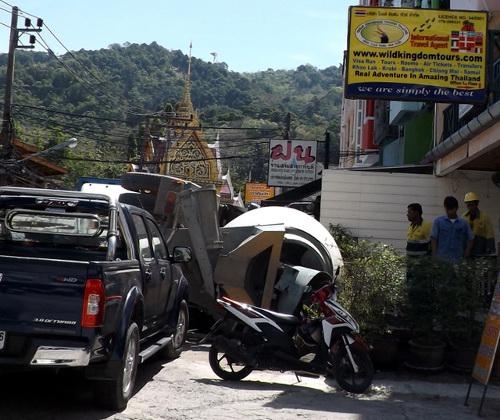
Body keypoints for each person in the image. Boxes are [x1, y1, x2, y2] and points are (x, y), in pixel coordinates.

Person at [431, 196, 474, 263]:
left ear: (457, 208)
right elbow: (434, 239)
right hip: (442, 259)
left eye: (452, 209)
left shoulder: (464, 223)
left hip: (458, 259)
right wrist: (434, 255)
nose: (450, 212)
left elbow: (471, 238)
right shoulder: (438, 222)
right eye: (448, 209)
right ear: (445, 207)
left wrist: (467, 252)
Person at [462, 192, 496, 256]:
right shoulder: (464, 217)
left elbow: (489, 234)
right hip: (467, 246)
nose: (470, 207)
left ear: (476, 204)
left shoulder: (484, 217)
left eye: (471, 205)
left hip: (480, 246)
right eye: (468, 205)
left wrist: (490, 249)